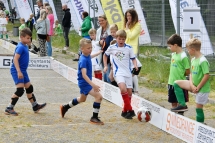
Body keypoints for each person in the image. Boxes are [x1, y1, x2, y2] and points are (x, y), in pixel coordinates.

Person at [60, 38, 104, 125]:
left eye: (91, 47)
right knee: (99, 97)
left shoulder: (86, 56)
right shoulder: (83, 60)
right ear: (82, 49)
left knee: (82, 99)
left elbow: (90, 57)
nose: (90, 49)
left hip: (84, 83)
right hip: (85, 83)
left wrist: (98, 53)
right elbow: (84, 75)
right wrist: (93, 85)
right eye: (88, 48)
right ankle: (94, 118)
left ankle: (65, 107)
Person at [4, 28, 46, 116]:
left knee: (29, 88)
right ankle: (9, 108)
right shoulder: (20, 47)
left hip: (23, 71)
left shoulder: (25, 45)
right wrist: (19, 71)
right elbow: (15, 59)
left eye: (30, 38)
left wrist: (29, 43)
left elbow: (28, 46)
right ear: (22, 37)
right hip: (17, 70)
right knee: (20, 90)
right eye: (27, 38)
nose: (29, 40)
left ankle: (35, 106)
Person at [171, 38, 210, 124]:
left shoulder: (203, 61)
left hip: (202, 88)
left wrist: (198, 87)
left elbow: (207, 75)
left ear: (193, 49)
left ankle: (200, 125)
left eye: (188, 49)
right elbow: (191, 74)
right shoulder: (193, 60)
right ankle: (182, 105)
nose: (188, 51)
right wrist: (192, 85)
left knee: (198, 108)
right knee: (177, 83)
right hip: (194, 85)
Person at [103, 30, 138, 119]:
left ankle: (124, 111)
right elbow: (105, 55)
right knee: (123, 88)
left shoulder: (129, 48)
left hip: (128, 73)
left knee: (129, 92)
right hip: (118, 72)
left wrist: (135, 65)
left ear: (125, 39)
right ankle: (130, 109)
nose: (121, 41)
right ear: (116, 38)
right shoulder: (112, 47)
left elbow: (133, 58)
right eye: (119, 39)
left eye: (123, 39)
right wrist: (105, 66)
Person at [166, 34, 190, 115]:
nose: (169, 48)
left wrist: (181, 76)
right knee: (173, 103)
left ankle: (181, 119)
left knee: (181, 105)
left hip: (180, 84)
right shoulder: (173, 54)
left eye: (170, 46)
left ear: (175, 45)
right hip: (171, 82)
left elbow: (188, 70)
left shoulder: (183, 56)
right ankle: (173, 121)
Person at [96, 15, 111, 83]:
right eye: (99, 21)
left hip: (109, 53)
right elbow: (95, 42)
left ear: (106, 20)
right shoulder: (99, 30)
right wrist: (99, 42)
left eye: (102, 20)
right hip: (102, 52)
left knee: (108, 72)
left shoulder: (110, 28)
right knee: (104, 72)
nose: (101, 22)